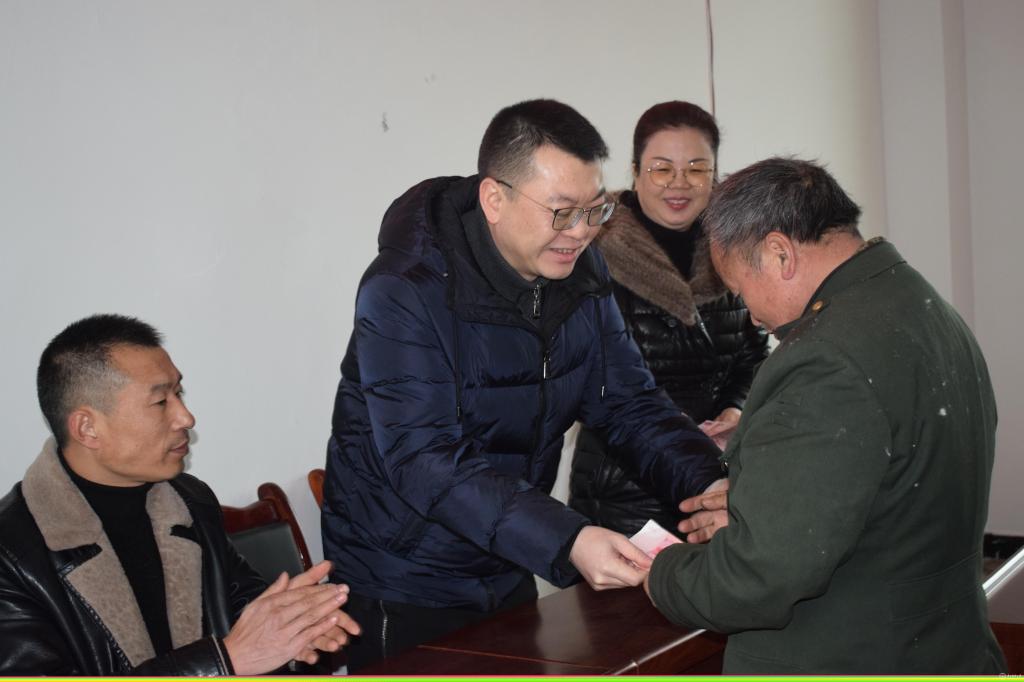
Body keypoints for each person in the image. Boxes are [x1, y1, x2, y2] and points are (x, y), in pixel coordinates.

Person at [322, 99, 725, 670]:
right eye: (562, 212)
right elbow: (423, 457)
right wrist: (568, 539)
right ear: (494, 199)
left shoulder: (580, 272)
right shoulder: (406, 289)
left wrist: (712, 482)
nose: (581, 232)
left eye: (595, 210)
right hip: (405, 577)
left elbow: (629, 403)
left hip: (507, 553)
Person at [644, 158, 1006, 674]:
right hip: (944, 648)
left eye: (741, 291)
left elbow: (754, 582)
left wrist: (661, 571)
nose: (752, 316)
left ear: (779, 253)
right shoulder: (923, 306)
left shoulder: (825, 359)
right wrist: (762, 506)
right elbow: (895, 491)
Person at [0, 314, 361, 675]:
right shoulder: (12, 553)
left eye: (179, 393)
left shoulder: (187, 501)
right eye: (161, 401)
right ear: (87, 428)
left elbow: (242, 607)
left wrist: (296, 627)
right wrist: (225, 661)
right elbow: (235, 651)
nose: (186, 417)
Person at [570, 101, 768, 539]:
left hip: (719, 480)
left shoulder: (736, 251)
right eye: (662, 169)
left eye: (696, 169)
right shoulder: (590, 253)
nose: (679, 183)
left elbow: (754, 355)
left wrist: (735, 410)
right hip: (623, 491)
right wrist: (669, 426)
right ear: (635, 171)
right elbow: (587, 375)